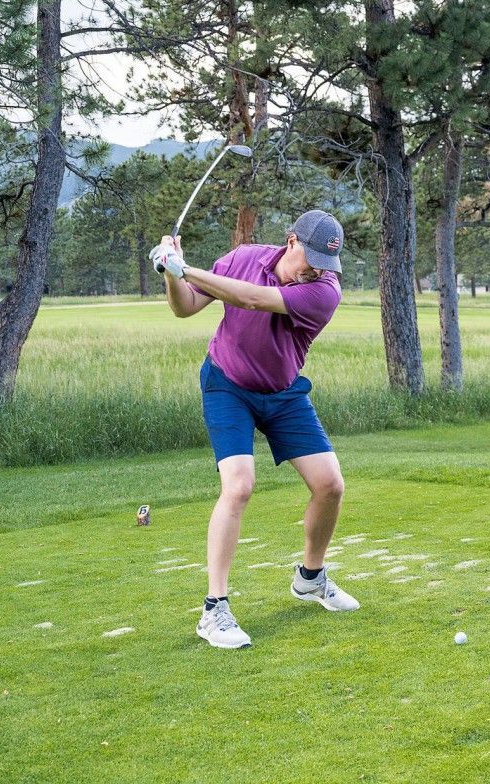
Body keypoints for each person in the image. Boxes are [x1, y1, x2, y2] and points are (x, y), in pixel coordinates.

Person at [150, 210, 359, 650]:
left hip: (283, 393)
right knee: (239, 486)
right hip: (227, 385)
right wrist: (172, 274)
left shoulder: (324, 292)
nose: (319, 268)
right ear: (291, 241)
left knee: (330, 485)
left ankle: (311, 578)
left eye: (328, 262)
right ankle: (214, 610)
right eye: (314, 256)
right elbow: (185, 307)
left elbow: (253, 300)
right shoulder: (244, 257)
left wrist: (184, 267)